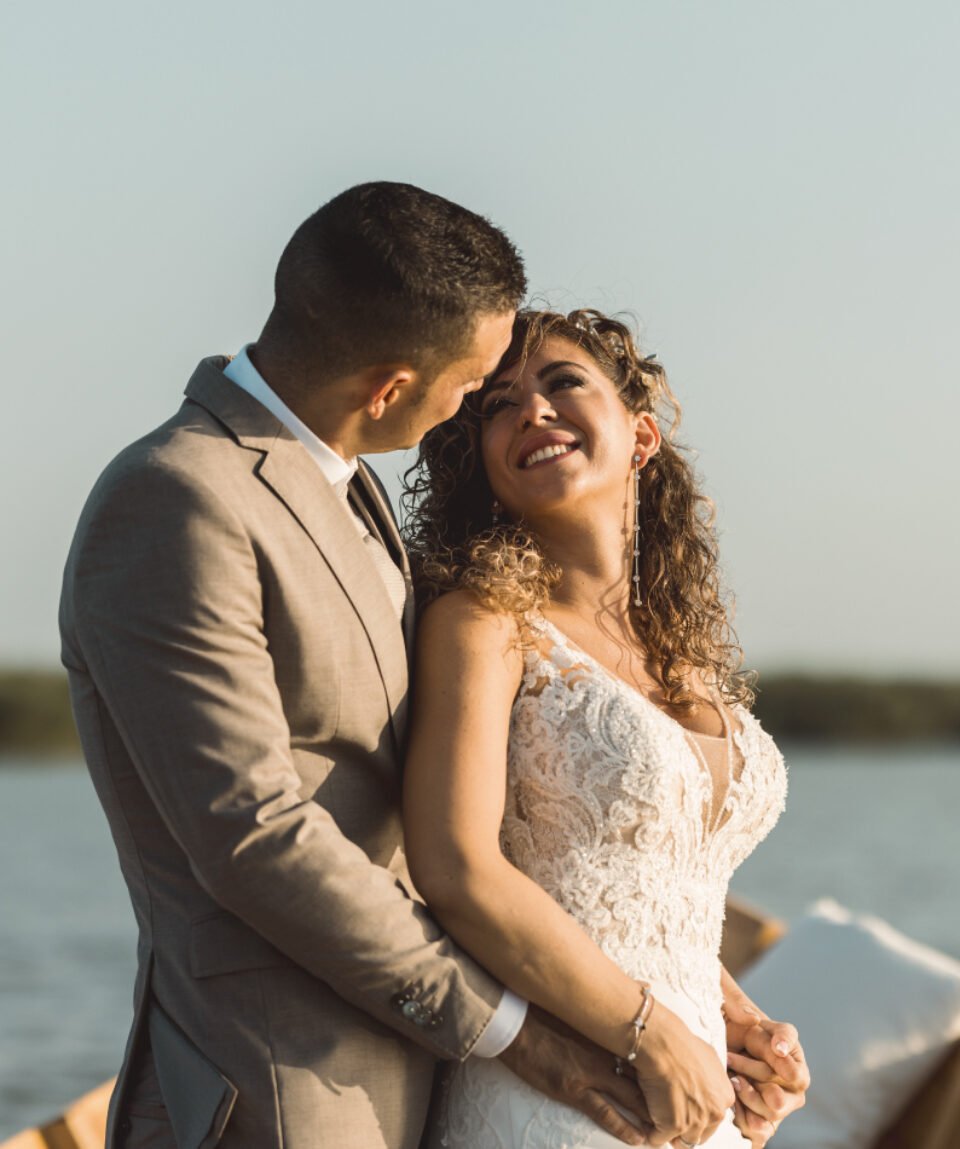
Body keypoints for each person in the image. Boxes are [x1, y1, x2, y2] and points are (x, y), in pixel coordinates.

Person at [59, 184, 661, 1149]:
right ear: (388, 387)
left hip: (423, 1087)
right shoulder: (174, 501)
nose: (472, 406)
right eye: (472, 384)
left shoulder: (352, 487)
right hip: (281, 1091)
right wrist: (515, 1034)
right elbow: (255, 836)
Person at [402, 308, 809, 1148]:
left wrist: (740, 1030)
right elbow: (459, 869)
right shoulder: (484, 625)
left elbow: (652, 897)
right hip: (558, 1105)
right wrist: (651, 1029)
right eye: (499, 405)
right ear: (482, 461)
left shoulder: (685, 657)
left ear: (642, 436)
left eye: (562, 383)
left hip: (696, 1101)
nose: (534, 411)